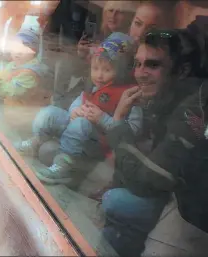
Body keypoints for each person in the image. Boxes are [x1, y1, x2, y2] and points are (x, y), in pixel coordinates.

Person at [99, 26, 207, 257]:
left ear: (183, 71)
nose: (140, 73)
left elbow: (148, 181)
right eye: (137, 64)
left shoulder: (193, 106)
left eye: (153, 65)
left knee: (115, 202)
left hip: (192, 214)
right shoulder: (166, 96)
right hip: (175, 196)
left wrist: (117, 122)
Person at [15, 32, 142, 186]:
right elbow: (77, 102)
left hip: (98, 144)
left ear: (121, 71)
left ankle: (63, 165)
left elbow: (132, 132)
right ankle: (36, 141)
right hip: (76, 131)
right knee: (50, 112)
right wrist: (74, 111)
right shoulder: (93, 86)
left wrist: (103, 119)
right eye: (95, 68)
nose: (99, 75)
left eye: (107, 70)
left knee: (81, 124)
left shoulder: (129, 95)